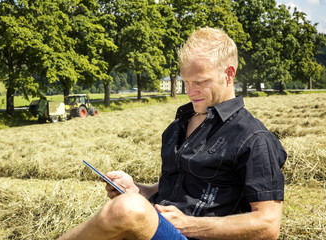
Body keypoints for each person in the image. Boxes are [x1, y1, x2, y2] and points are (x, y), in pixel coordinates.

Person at [57, 27, 287, 240]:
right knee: (129, 203)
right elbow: (185, 186)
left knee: (127, 209)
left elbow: (267, 224)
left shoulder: (254, 138)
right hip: (164, 228)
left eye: (200, 82)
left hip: (193, 235)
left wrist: (188, 224)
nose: (190, 92)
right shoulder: (179, 125)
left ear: (229, 74)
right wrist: (139, 190)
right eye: (185, 82)